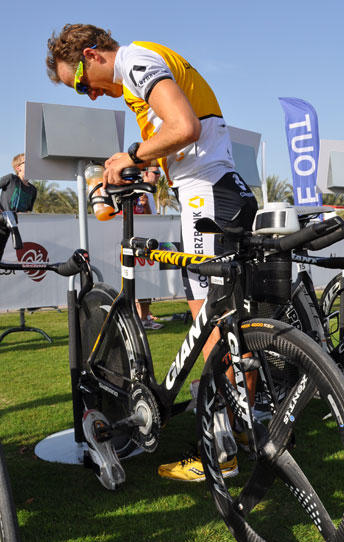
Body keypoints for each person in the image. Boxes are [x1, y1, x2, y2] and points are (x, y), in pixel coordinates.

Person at [46, 24, 258, 481]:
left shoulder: (136, 62)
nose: (89, 95)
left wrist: (132, 156)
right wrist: (144, 163)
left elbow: (185, 127)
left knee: (212, 325)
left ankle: (220, 454)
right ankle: (242, 436)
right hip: (218, 189)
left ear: (92, 55)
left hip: (206, 195)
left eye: (80, 83)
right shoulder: (139, 77)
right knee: (228, 323)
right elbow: (180, 138)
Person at [134, 165, 163, 330]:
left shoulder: (149, 192)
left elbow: (150, 217)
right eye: (156, 172)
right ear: (145, 173)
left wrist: (145, 206)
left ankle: (144, 317)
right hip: (134, 242)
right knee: (137, 281)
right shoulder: (136, 189)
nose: (158, 176)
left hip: (146, 243)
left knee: (146, 281)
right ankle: (141, 317)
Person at [0, 154, 37, 259]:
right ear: (18, 168)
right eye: (27, 162)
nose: (31, 165)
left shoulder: (33, 190)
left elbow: (28, 211)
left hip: (12, 228)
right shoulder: (11, 178)